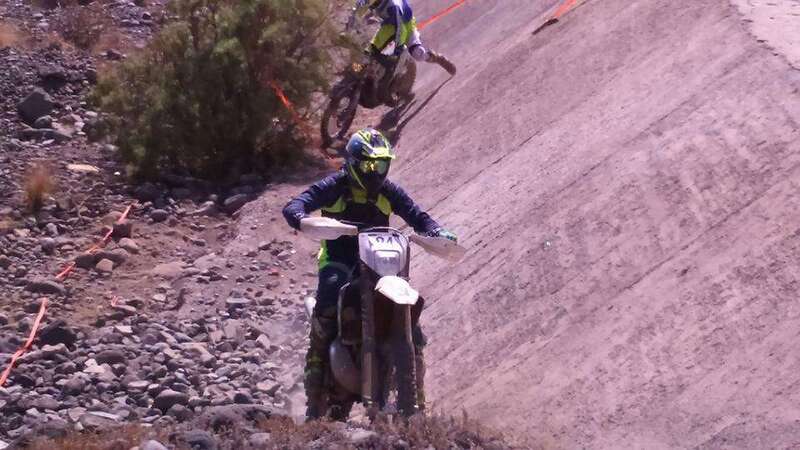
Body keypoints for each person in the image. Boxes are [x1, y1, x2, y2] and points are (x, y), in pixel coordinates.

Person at [282, 128, 457, 420]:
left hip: (380, 264)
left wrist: (437, 231)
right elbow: (295, 205)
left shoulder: (389, 191)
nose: (376, 172)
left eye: (382, 165)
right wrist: (300, 217)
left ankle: (417, 406)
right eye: (370, 165)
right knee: (327, 304)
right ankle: (314, 384)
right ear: (353, 163)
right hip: (339, 260)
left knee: (414, 326)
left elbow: (417, 216)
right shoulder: (334, 186)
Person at [356, 0, 457, 76]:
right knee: (368, 49)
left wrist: (397, 47)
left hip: (405, 25)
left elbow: (400, 29)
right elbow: (356, 12)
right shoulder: (370, 2)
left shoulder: (393, 5)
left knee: (417, 53)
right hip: (386, 26)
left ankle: (436, 58)